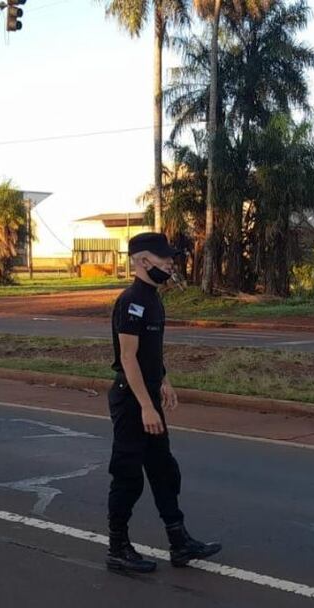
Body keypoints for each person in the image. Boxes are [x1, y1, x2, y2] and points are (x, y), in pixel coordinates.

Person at [106, 232, 221, 573]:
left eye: (170, 258)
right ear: (142, 262)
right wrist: (145, 405)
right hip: (131, 401)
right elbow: (128, 358)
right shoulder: (131, 302)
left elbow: (151, 354)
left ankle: (179, 541)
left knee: (163, 470)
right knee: (128, 476)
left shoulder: (154, 298)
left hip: (148, 394)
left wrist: (165, 381)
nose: (171, 263)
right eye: (164, 259)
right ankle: (117, 547)